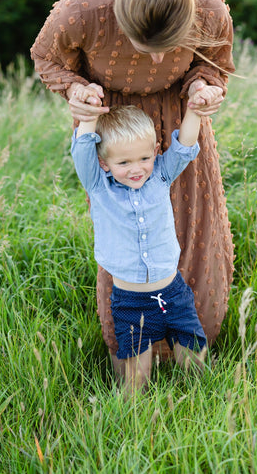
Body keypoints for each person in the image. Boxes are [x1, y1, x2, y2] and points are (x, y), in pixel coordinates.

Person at [30, 0, 236, 378]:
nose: (159, 62)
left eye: (170, 50)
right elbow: (45, 57)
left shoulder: (210, 8)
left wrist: (203, 89)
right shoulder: (83, 10)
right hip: (116, 128)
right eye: (148, 50)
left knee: (194, 228)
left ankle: (194, 347)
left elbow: (215, 66)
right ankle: (130, 351)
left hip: (181, 120)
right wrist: (77, 90)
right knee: (124, 230)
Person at [71, 103, 208, 394]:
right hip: (131, 302)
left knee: (195, 364)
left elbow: (184, 145)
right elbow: (82, 149)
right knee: (136, 379)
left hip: (174, 294)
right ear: (104, 163)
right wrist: (89, 116)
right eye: (124, 163)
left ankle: (204, 404)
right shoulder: (99, 187)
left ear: (156, 151)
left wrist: (195, 110)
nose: (136, 169)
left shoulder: (160, 175)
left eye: (144, 158)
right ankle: (135, 422)